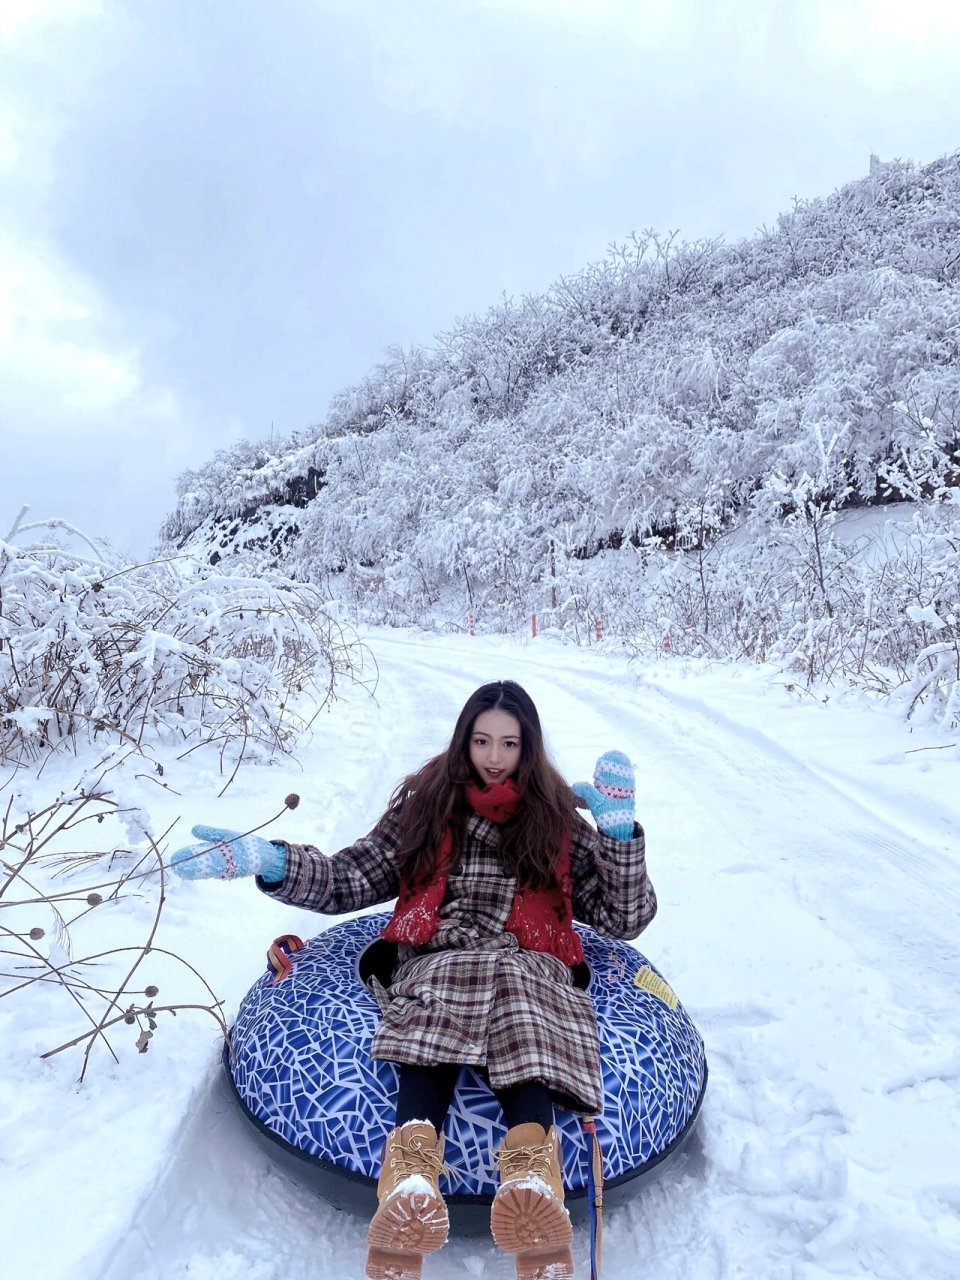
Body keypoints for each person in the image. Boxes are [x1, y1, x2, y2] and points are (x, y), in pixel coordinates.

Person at [171, 679, 656, 1280]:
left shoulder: (556, 818)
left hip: (531, 957)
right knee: (432, 1018)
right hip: (442, 952)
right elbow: (353, 876)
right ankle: (411, 1183)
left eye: (509, 743)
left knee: (531, 1019)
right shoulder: (425, 807)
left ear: (529, 747)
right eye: (482, 741)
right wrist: (269, 861)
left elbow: (623, 919)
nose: (495, 757)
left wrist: (617, 838)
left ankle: (533, 1185)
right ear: (464, 740)